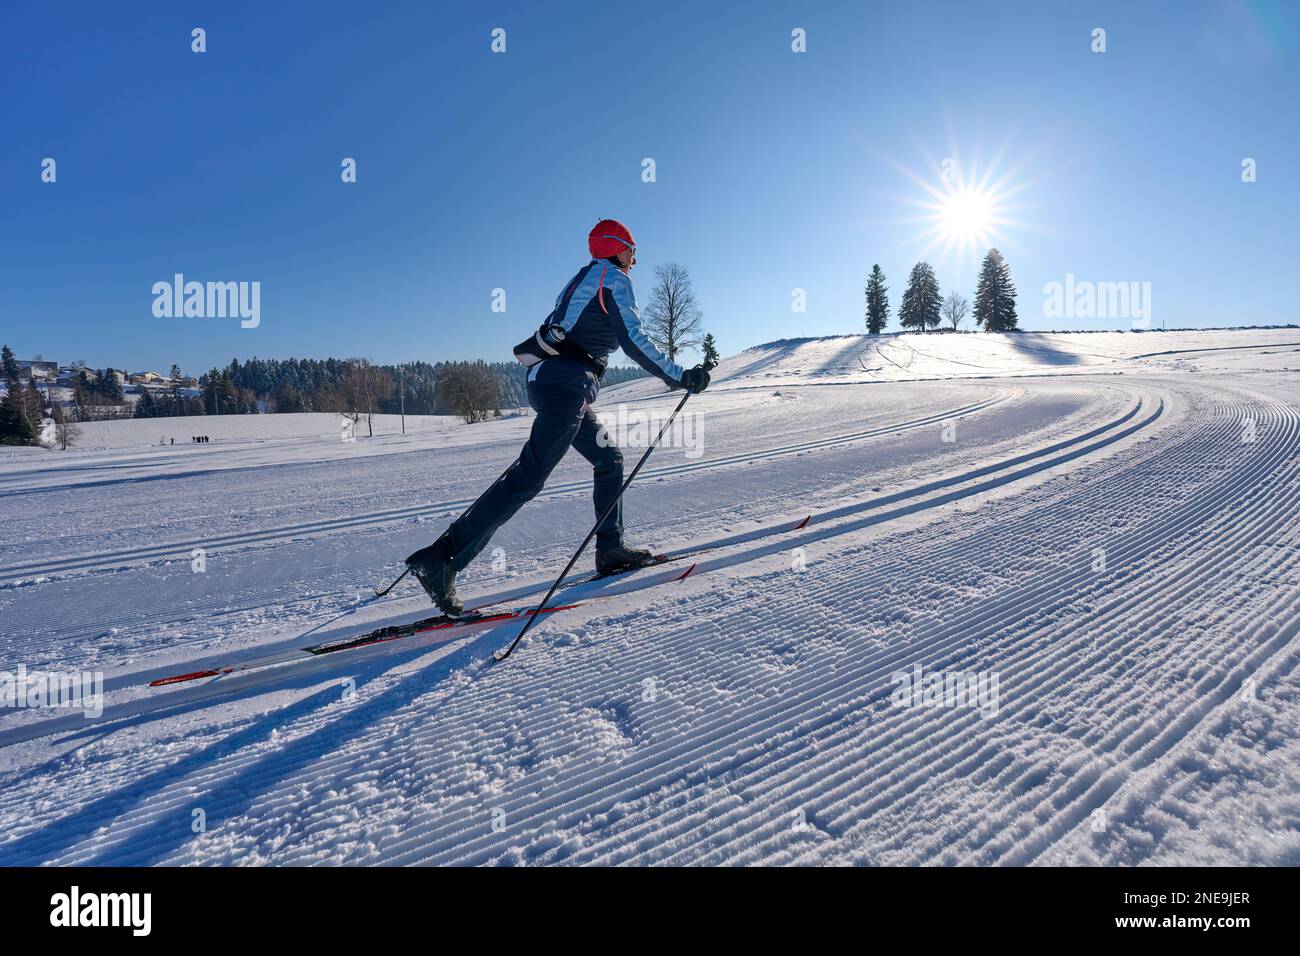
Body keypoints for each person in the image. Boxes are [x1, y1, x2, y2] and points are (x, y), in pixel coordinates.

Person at [404, 218, 712, 614]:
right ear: (615, 247)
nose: (634, 258)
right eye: (632, 249)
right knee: (527, 479)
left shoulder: (582, 278)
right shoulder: (612, 278)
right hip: (567, 385)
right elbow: (635, 340)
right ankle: (441, 560)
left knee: (609, 459)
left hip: (551, 380)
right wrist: (680, 376)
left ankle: (611, 548)